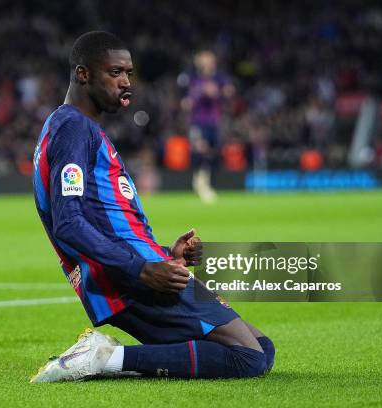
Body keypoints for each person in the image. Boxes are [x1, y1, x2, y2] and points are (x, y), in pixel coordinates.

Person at [30, 31, 274, 382]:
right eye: (115, 73)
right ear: (83, 74)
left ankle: (111, 360)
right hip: (131, 279)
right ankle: (102, 358)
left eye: (129, 73)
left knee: (262, 350)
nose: (126, 83)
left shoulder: (69, 126)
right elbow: (69, 222)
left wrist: (165, 254)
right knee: (246, 358)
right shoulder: (73, 128)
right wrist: (141, 269)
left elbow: (105, 218)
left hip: (137, 268)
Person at [182, 50, 235, 204]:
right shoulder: (193, 78)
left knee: (212, 152)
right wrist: (198, 93)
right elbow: (186, 101)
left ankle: (204, 181)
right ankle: (201, 183)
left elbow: (229, 91)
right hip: (198, 121)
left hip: (214, 121)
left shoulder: (219, 78)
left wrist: (219, 91)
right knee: (201, 149)